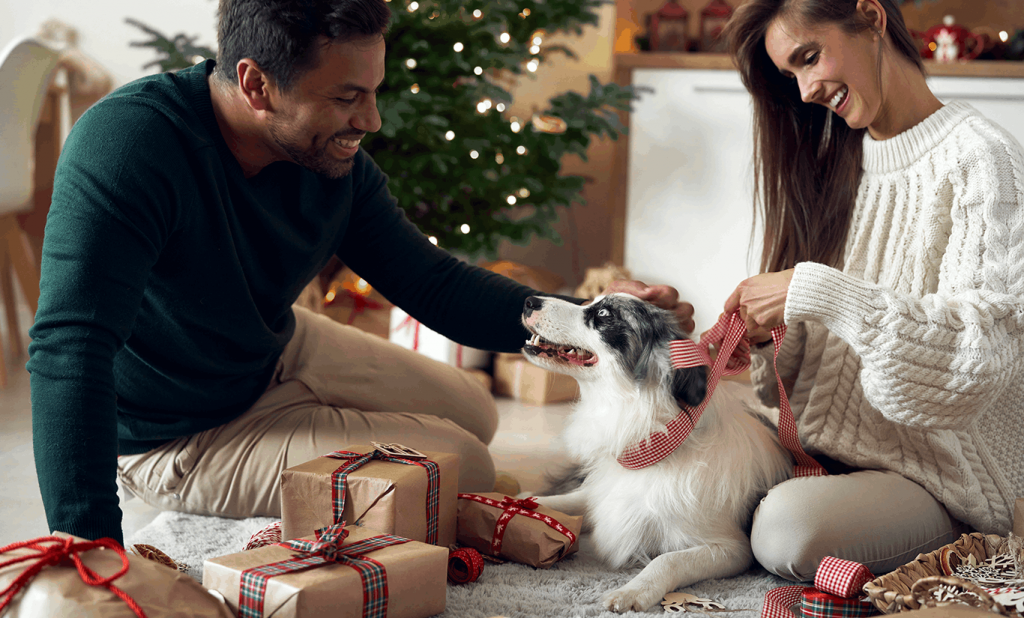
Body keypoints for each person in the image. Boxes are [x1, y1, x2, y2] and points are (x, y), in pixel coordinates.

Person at [27, 0, 694, 547]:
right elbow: (69, 349)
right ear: (257, 84)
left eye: (372, 94)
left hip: (270, 351)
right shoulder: (130, 148)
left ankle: (313, 428)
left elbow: (433, 282)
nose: (370, 121)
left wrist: (595, 319)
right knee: (469, 466)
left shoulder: (325, 162)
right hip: (175, 434)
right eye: (348, 98)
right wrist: (88, 552)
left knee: (475, 412)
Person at [719, 0, 1024, 581]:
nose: (806, 90)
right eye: (791, 76)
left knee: (787, 529)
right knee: (676, 459)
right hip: (821, 454)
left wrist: (818, 291)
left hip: (941, 476)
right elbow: (822, 376)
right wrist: (765, 340)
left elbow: (978, 361)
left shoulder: (983, 159)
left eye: (810, 57)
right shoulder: (834, 160)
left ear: (871, 17)